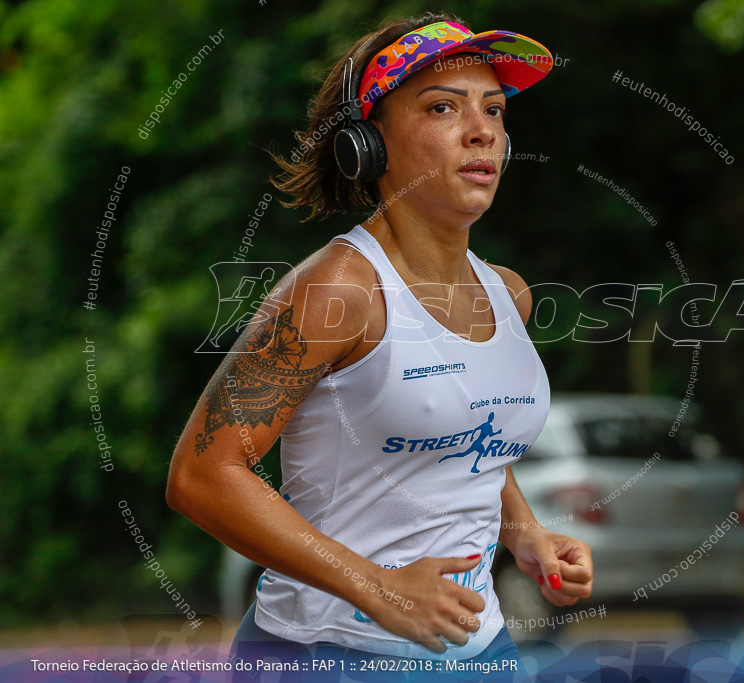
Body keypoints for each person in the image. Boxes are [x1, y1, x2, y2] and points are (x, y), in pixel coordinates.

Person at [165, 11, 593, 681]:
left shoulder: (509, 294)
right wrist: (376, 585)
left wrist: (526, 533)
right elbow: (202, 475)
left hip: (478, 650)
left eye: (494, 109)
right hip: (325, 654)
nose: (482, 130)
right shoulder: (338, 292)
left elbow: (469, 431)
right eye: (443, 107)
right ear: (368, 144)